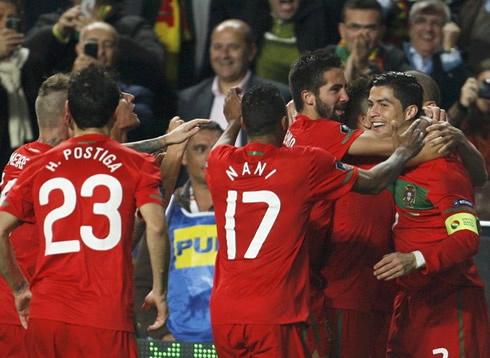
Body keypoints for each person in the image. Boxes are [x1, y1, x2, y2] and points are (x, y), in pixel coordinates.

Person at [206, 83, 426, 357]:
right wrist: (404, 151)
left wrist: (233, 124)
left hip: (224, 313)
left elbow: (220, 146)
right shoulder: (302, 163)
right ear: (284, 123)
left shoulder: (219, 162)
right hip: (275, 314)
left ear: (244, 122)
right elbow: (373, 182)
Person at [0, 66, 204, 357]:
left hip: (45, 311)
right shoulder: (126, 165)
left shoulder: (32, 162)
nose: (129, 97)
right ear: (71, 115)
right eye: (118, 96)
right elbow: (152, 223)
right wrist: (164, 144)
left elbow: (127, 236)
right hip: (52, 313)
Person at [371, 71, 490, 357]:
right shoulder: (388, 160)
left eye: (383, 105)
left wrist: (416, 259)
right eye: (370, 104)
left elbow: (466, 239)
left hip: (448, 302)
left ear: (418, 110)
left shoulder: (442, 168)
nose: (371, 114)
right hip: (408, 301)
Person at [0, 73, 70, 358]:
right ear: (69, 118)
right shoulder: (50, 165)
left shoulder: (23, 155)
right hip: (23, 311)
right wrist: (164, 141)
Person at [134, 122, 222, 342]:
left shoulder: (240, 209)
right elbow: (142, 283)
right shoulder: (167, 209)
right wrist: (160, 334)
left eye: (218, 148)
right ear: (183, 157)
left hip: (230, 344)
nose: (210, 156)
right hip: (176, 343)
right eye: (201, 149)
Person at [178, 19, 290, 146]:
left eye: (233, 47)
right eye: (217, 47)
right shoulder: (188, 99)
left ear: (251, 51)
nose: (224, 55)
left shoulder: (278, 96)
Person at [0, 0, 46, 170]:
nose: (5, 24)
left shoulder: (32, 61)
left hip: (27, 159)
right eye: (0, 17)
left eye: (11, 18)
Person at [402, 0, 467, 109]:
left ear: (446, 29)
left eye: (436, 23)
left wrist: (449, 52)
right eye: (421, 21)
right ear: (410, 26)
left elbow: (456, 96)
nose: (428, 29)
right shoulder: (392, 56)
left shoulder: (454, 60)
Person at [329, 0, 410, 82]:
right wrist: (352, 62)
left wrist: (366, 68)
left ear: (382, 31)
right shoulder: (325, 57)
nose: (362, 34)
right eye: (355, 27)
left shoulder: (394, 59)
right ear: (342, 30)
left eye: (370, 27)